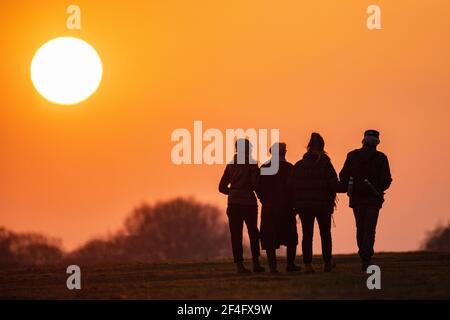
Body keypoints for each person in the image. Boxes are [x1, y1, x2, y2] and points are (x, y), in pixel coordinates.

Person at [339, 130, 392, 271]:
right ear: (377, 142)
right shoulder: (381, 157)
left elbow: (343, 175)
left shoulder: (352, 156)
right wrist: (378, 188)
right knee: (370, 229)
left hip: (357, 200)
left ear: (363, 141)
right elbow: (386, 180)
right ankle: (366, 258)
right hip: (374, 200)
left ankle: (364, 255)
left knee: (360, 228)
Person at [293, 133, 340, 273]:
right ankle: (327, 263)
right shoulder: (326, 164)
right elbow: (334, 184)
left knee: (307, 235)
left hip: (304, 207)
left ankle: (308, 265)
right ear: (322, 147)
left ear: (308, 147)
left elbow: (292, 186)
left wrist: (296, 203)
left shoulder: (299, 165)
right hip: (323, 206)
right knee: (325, 234)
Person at [218, 138, 265, 273]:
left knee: (236, 234)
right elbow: (256, 185)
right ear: (247, 149)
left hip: (233, 204)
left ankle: (239, 266)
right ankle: (256, 263)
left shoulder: (230, 165)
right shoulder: (252, 164)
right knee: (253, 233)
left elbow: (221, 187)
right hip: (249, 203)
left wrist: (233, 192)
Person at [257, 143, 301, 273]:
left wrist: (263, 199)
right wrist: (295, 205)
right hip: (286, 208)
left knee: (270, 237)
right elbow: (295, 189)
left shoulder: (264, 168)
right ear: (284, 153)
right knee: (291, 238)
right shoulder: (289, 168)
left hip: (269, 208)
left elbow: (258, 188)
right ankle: (290, 264)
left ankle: (273, 267)